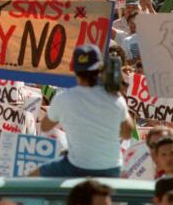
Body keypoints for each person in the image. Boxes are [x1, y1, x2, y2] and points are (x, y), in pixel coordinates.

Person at [34, 44, 133, 177]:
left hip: (76, 167)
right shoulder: (115, 98)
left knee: (30, 178)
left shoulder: (63, 98)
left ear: (74, 70)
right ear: (100, 68)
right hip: (112, 169)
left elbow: (45, 126)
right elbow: (127, 134)